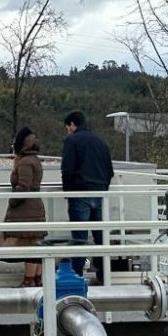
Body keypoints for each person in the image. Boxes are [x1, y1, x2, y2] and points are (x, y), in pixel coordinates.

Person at [61, 111, 114, 282]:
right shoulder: (101, 141)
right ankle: (104, 275)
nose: (68, 131)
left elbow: (67, 169)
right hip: (100, 193)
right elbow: (109, 171)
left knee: (79, 238)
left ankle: (77, 275)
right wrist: (103, 188)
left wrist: (68, 192)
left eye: (67, 128)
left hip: (80, 192)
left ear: (72, 124)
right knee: (100, 237)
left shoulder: (72, 141)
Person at [0, 126, 46, 288]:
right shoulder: (34, 160)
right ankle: (37, 278)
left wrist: (12, 200)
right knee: (36, 244)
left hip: (26, 209)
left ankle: (28, 279)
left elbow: (23, 186)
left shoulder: (25, 162)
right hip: (35, 208)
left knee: (29, 245)